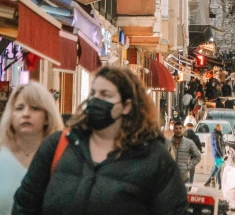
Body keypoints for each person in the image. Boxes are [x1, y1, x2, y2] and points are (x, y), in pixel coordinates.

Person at [12, 65, 187, 215]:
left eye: (106, 95)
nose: (96, 100)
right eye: (93, 93)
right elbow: (24, 205)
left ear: (126, 106)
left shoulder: (154, 160)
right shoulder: (58, 145)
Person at [0, 82, 63, 215]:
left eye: (34, 108)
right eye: (19, 108)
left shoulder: (60, 158)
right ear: (11, 116)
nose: (26, 114)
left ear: (47, 117)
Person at [204, 123, 225, 189]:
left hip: (216, 153)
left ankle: (220, 185)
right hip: (218, 154)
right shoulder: (216, 135)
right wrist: (222, 155)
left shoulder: (216, 134)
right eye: (221, 127)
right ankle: (208, 182)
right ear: (218, 128)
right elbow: (218, 146)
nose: (222, 128)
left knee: (219, 169)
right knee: (217, 168)